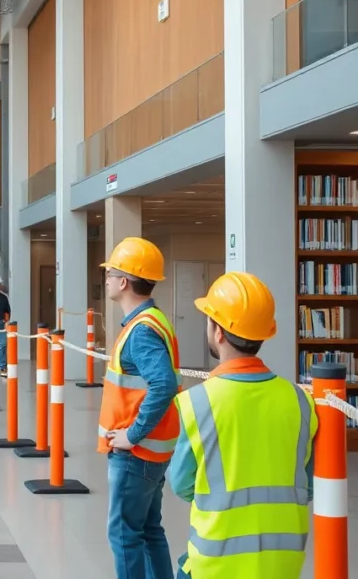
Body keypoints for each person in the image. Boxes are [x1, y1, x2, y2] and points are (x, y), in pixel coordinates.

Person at [170, 272, 315, 579]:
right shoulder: (300, 401)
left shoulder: (198, 403)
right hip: (283, 566)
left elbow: (181, 484)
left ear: (219, 332)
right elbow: (307, 484)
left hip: (215, 564)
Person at [98, 237, 180, 579]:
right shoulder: (153, 320)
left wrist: (131, 435)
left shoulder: (141, 331)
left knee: (124, 535)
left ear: (124, 281)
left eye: (110, 272)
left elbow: (164, 384)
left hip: (136, 453)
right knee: (148, 530)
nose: (106, 278)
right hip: (152, 451)